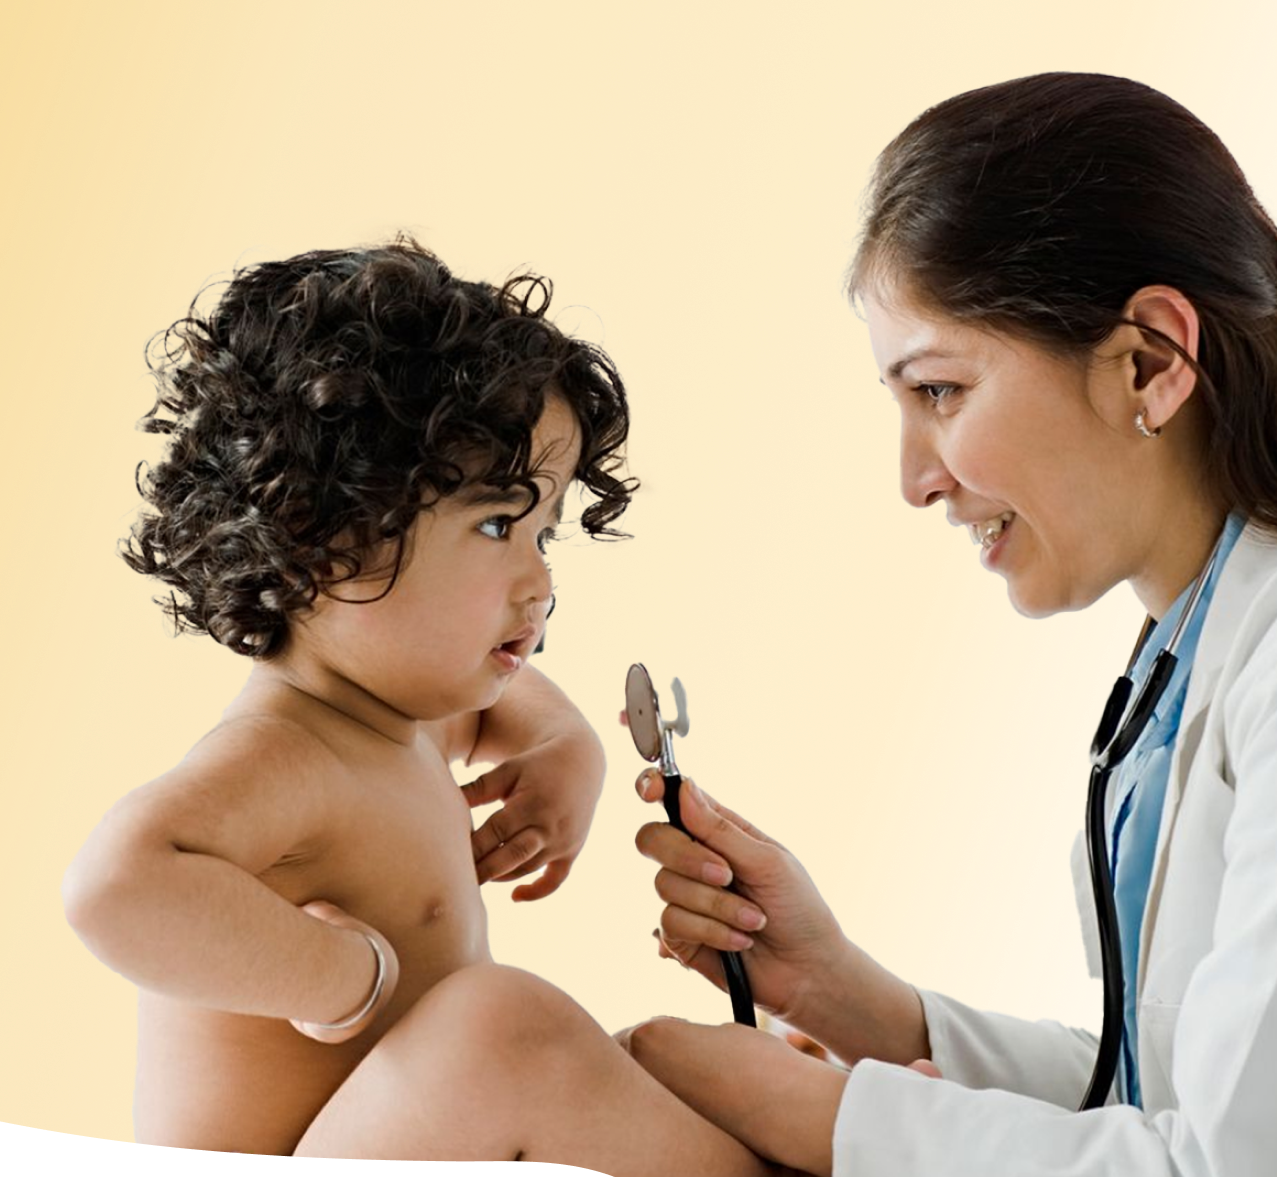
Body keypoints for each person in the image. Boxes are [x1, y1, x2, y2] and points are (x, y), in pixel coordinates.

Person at [623, 73, 1277, 1176]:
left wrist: (829, 1122)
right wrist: (850, 999)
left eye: (937, 392)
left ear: (1150, 362)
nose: (912, 480)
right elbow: (1159, 1089)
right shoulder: (1193, 651)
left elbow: (1223, 1163)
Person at [59, 236, 782, 1170]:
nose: (541, 578)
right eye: (495, 523)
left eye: (546, 528)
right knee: (503, 1027)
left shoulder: (405, 715)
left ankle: (769, 1128)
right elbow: (114, 888)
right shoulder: (285, 756)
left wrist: (569, 748)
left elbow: (517, 701)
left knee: (666, 1056)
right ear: (323, 536)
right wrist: (338, 980)